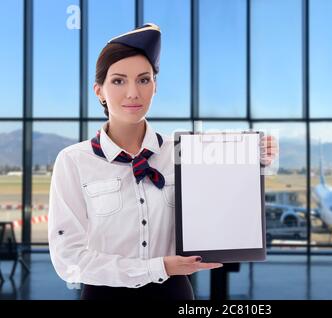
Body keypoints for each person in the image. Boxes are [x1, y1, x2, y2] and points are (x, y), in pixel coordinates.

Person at [47, 23, 278, 300]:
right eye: (119, 81)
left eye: (144, 80)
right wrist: (155, 267)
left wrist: (256, 162)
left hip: (174, 293)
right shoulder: (73, 161)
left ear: (154, 87)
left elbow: (225, 201)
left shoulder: (184, 152)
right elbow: (69, 260)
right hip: (103, 294)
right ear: (99, 91)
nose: (133, 93)